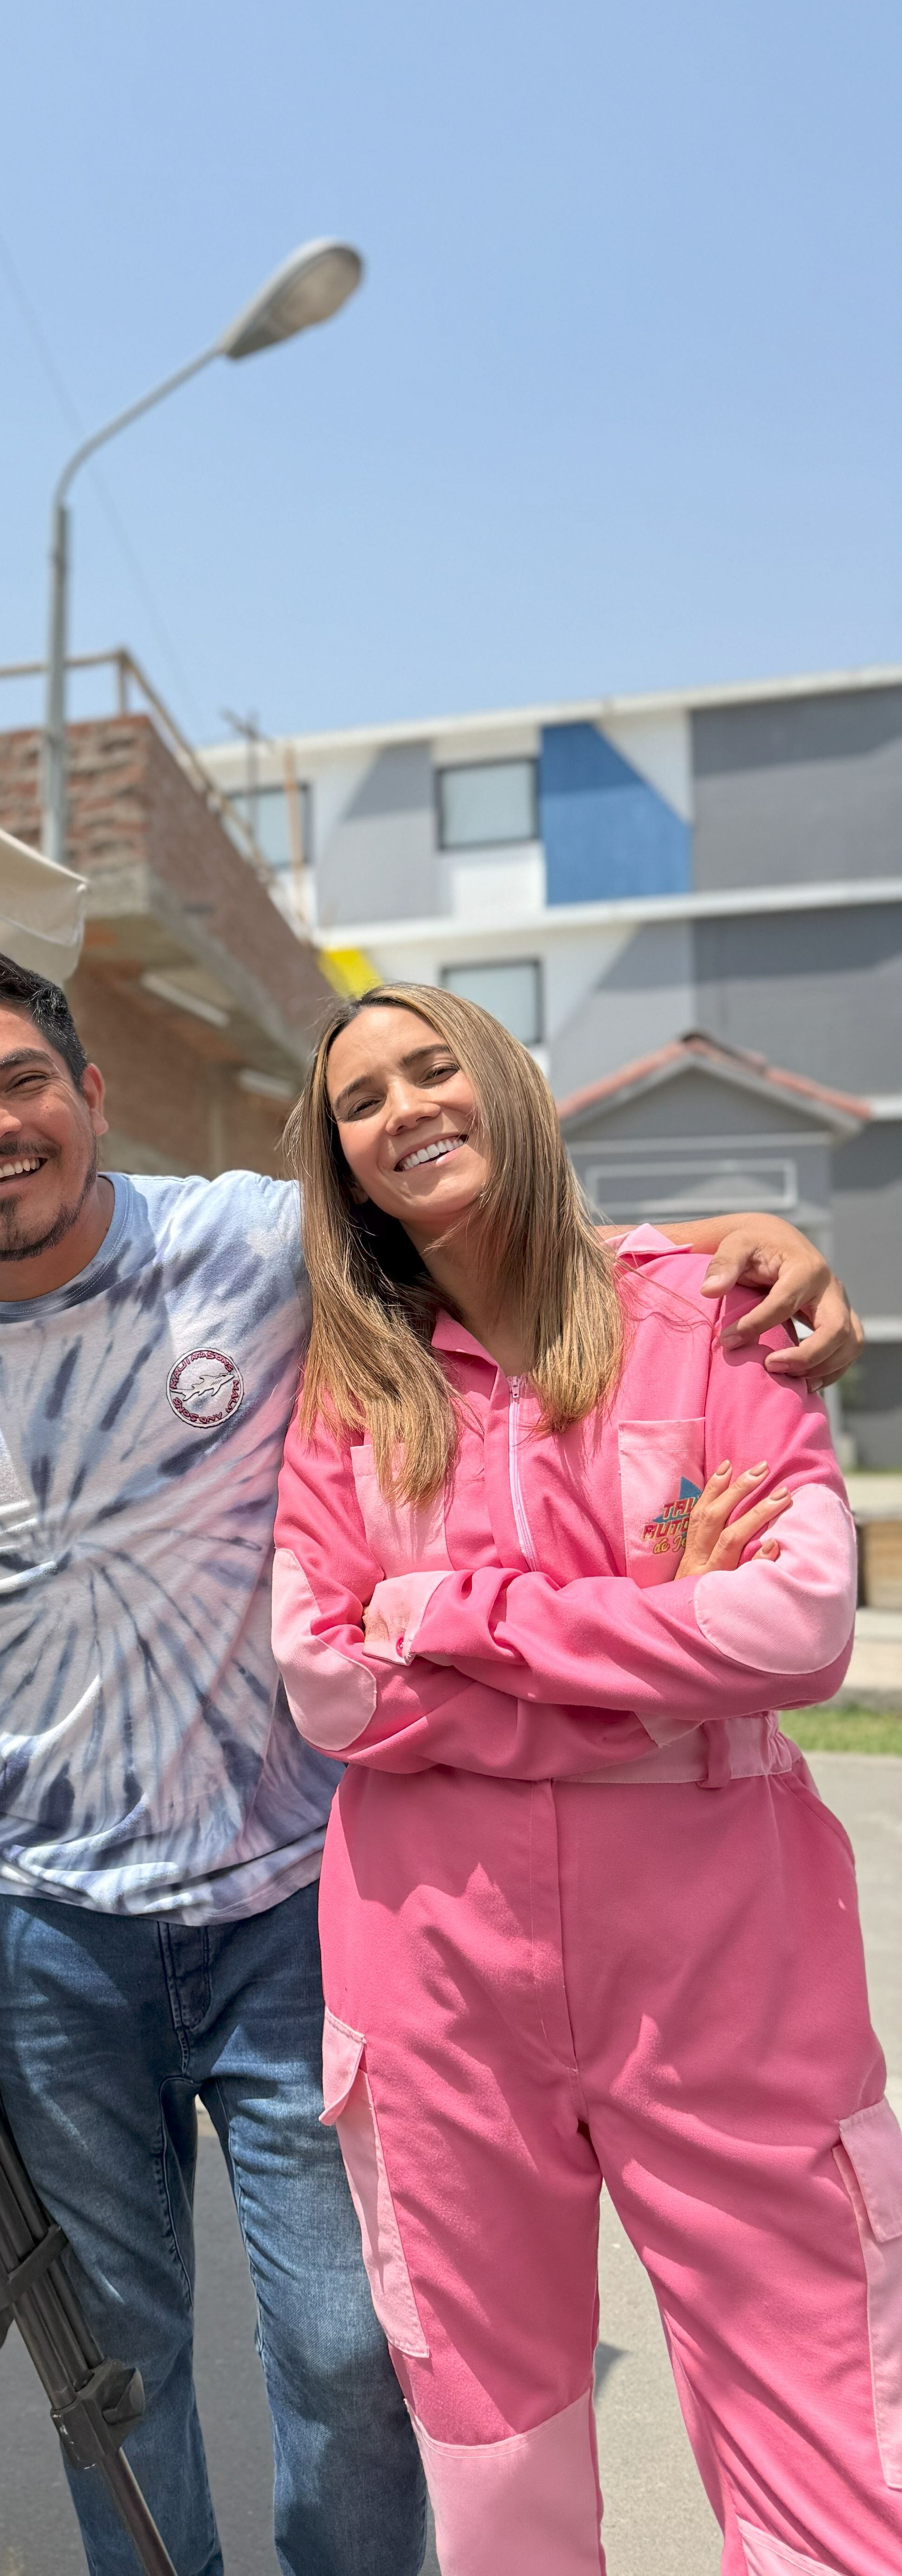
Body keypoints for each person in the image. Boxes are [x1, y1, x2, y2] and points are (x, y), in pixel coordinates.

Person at [0, 941, 861, 2576]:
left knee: (352, 2357)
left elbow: (474, 1224)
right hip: (42, 1926)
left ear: (90, 1096)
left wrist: (740, 1242)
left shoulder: (254, 1241)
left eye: (21, 1082)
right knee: (108, 2359)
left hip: (298, 1904)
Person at [270, 981, 895, 2576]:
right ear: (338, 1162)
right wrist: (643, 1683)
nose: (404, 1108)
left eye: (434, 1070)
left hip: (724, 1969)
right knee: (494, 2445)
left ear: (512, 1089)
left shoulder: (707, 1313)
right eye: (361, 1100)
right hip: (433, 1983)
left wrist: (455, 1622)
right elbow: (327, 1679)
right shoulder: (353, 1382)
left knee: (828, 2423)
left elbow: (794, 1623)